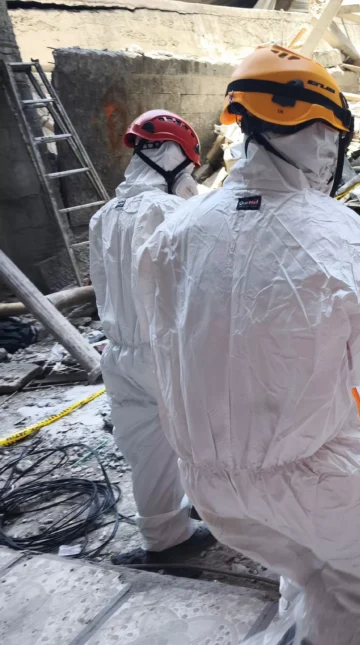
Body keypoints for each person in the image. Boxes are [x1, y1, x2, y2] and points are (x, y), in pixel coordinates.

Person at [136, 45, 360, 644]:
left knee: (304, 558)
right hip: (310, 471)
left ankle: (301, 622)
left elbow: (164, 331)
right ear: (312, 131)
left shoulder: (177, 228)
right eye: (330, 135)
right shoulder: (338, 233)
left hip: (205, 478)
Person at [89, 110, 214, 565]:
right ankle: (222, 515)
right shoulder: (171, 210)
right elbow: (196, 287)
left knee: (146, 448)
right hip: (165, 353)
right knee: (202, 440)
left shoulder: (104, 214)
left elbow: (101, 285)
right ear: (179, 158)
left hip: (118, 354)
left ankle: (164, 537)